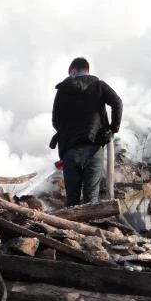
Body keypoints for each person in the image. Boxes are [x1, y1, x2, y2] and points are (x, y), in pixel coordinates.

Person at [51, 57, 123, 207]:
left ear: (72, 70)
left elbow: (55, 120)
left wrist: (66, 132)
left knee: (72, 201)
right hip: (94, 147)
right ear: (87, 70)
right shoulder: (99, 86)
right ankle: (88, 229)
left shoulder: (63, 90)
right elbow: (117, 103)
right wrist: (113, 128)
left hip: (69, 150)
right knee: (91, 201)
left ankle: (70, 230)